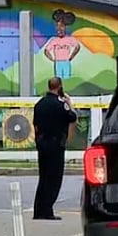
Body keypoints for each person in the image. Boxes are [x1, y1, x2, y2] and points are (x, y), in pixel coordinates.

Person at [33, 76, 77, 220]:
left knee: (43, 177)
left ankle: (38, 210)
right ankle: (47, 210)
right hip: (55, 144)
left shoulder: (39, 104)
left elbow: (36, 125)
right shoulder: (60, 104)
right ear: (59, 87)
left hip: (42, 143)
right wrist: (69, 103)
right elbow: (72, 117)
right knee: (54, 178)